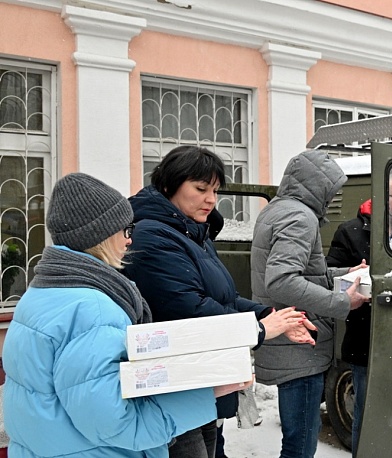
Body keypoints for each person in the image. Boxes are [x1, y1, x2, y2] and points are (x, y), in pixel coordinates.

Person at [2, 172, 250, 457]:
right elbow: (116, 425)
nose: (129, 241)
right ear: (101, 236)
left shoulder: (41, 293)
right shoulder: (93, 309)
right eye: (125, 231)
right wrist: (205, 393)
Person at [123, 146, 316, 458]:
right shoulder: (152, 236)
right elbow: (189, 310)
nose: (211, 200)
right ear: (170, 186)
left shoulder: (192, 232)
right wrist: (259, 327)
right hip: (174, 384)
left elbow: (222, 298)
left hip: (202, 379)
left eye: (214, 190)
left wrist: (268, 312)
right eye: (200, 189)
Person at [251, 149, 369, 458]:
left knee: (297, 438)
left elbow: (304, 272)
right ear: (316, 186)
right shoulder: (299, 217)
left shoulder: (277, 209)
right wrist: (342, 302)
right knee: (300, 444)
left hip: (289, 344)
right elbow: (281, 280)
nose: (332, 197)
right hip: (300, 348)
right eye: (331, 189)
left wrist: (346, 272)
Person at [325, 172, 392, 456]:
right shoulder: (351, 231)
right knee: (368, 411)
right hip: (366, 336)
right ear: (381, 197)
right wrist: (354, 275)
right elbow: (329, 277)